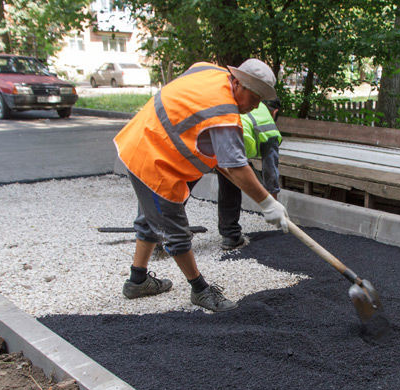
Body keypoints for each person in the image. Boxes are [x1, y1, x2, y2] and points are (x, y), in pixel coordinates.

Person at [113, 58, 289, 312]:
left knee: (150, 217)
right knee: (175, 229)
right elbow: (237, 167)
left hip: (144, 138)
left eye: (261, 100)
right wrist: (268, 203)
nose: (255, 106)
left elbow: (190, 79)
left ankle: (137, 281)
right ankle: (200, 290)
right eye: (254, 97)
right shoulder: (224, 113)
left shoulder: (209, 71)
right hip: (154, 156)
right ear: (237, 83)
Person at [217, 99, 282, 250]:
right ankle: (230, 235)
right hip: (234, 140)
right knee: (231, 184)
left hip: (217, 133)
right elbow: (270, 169)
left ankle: (164, 228)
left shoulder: (250, 106)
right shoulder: (269, 125)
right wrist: (273, 205)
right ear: (275, 112)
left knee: (189, 177)